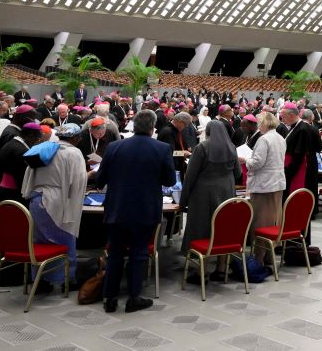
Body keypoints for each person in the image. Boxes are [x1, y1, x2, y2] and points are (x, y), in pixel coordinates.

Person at [93, 109, 175, 313]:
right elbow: (170, 181)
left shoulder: (113, 146)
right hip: (145, 209)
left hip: (117, 207)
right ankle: (133, 298)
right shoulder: (162, 148)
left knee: (115, 253)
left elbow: (100, 179)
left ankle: (109, 298)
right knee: (139, 253)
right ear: (152, 128)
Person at [20, 123, 87, 292]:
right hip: (58, 200)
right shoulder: (73, 152)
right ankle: (68, 280)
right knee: (65, 238)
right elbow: (78, 181)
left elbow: (29, 174)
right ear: (76, 138)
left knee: (40, 240)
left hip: (36, 198)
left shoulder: (43, 148)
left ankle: (41, 280)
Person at [180, 120, 241, 281]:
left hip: (203, 194)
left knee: (202, 228)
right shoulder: (232, 147)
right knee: (223, 229)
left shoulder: (202, 147)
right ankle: (221, 269)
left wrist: (183, 200)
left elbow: (191, 175)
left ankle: (201, 270)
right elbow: (238, 173)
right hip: (227, 191)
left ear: (207, 132)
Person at [242, 111, 286, 264]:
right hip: (277, 183)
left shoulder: (264, 139)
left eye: (260, 123)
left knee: (260, 222)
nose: (258, 126)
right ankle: (268, 255)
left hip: (264, 185)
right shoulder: (280, 138)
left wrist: (245, 160)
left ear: (265, 124)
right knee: (271, 221)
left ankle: (259, 257)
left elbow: (257, 163)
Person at [158, 112, 196, 177]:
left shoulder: (175, 130)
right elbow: (170, 152)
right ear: (179, 121)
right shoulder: (168, 132)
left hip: (178, 166)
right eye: (185, 124)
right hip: (171, 168)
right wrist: (183, 153)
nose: (186, 126)